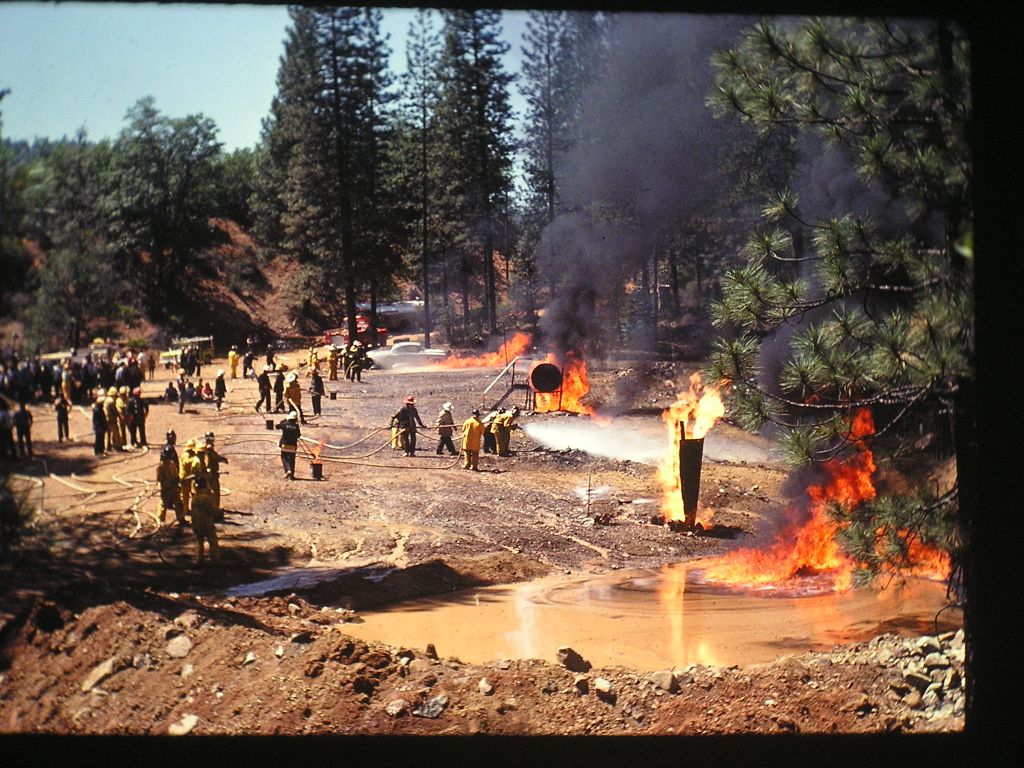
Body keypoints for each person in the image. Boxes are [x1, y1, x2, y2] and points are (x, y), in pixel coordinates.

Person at [190, 474, 220, 564]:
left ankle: (199, 560)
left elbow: (193, 513)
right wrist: (217, 512)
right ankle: (215, 560)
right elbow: (211, 510)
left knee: (199, 542)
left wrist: (194, 525)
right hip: (207, 524)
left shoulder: (194, 498)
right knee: (213, 541)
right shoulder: (207, 497)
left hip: (197, 524)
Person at [199, 431, 228, 520]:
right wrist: (222, 459)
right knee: (214, 493)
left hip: (212, 474)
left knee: (212, 493)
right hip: (212, 475)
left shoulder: (207, 448)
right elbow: (213, 459)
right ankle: (214, 511)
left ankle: (213, 510)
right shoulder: (209, 449)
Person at [156, 445, 185, 527]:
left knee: (178, 503)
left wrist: (178, 481)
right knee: (163, 504)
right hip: (166, 489)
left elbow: (176, 475)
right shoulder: (160, 467)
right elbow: (159, 479)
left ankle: (181, 518)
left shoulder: (172, 464)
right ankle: (160, 519)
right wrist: (165, 485)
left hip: (174, 488)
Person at [178, 439, 203, 519]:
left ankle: (186, 509)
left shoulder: (190, 455)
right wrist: (195, 458)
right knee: (185, 495)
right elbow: (186, 462)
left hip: (189, 477)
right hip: (184, 477)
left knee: (188, 495)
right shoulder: (186, 455)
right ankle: (184, 511)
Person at [275, 412, 301, 480]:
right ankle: (291, 475)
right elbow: (298, 435)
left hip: (285, 444)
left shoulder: (284, 424)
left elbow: (277, 426)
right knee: (292, 460)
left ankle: (287, 469)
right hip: (293, 445)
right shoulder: (296, 426)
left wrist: (283, 420)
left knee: (284, 457)